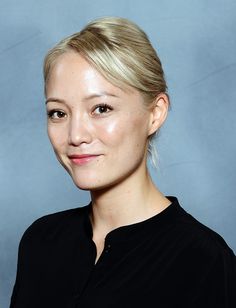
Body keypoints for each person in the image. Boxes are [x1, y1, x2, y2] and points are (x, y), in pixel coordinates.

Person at [10, 16, 236, 308]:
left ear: (155, 113)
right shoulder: (41, 241)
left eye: (101, 109)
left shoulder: (205, 262)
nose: (75, 135)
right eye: (58, 113)